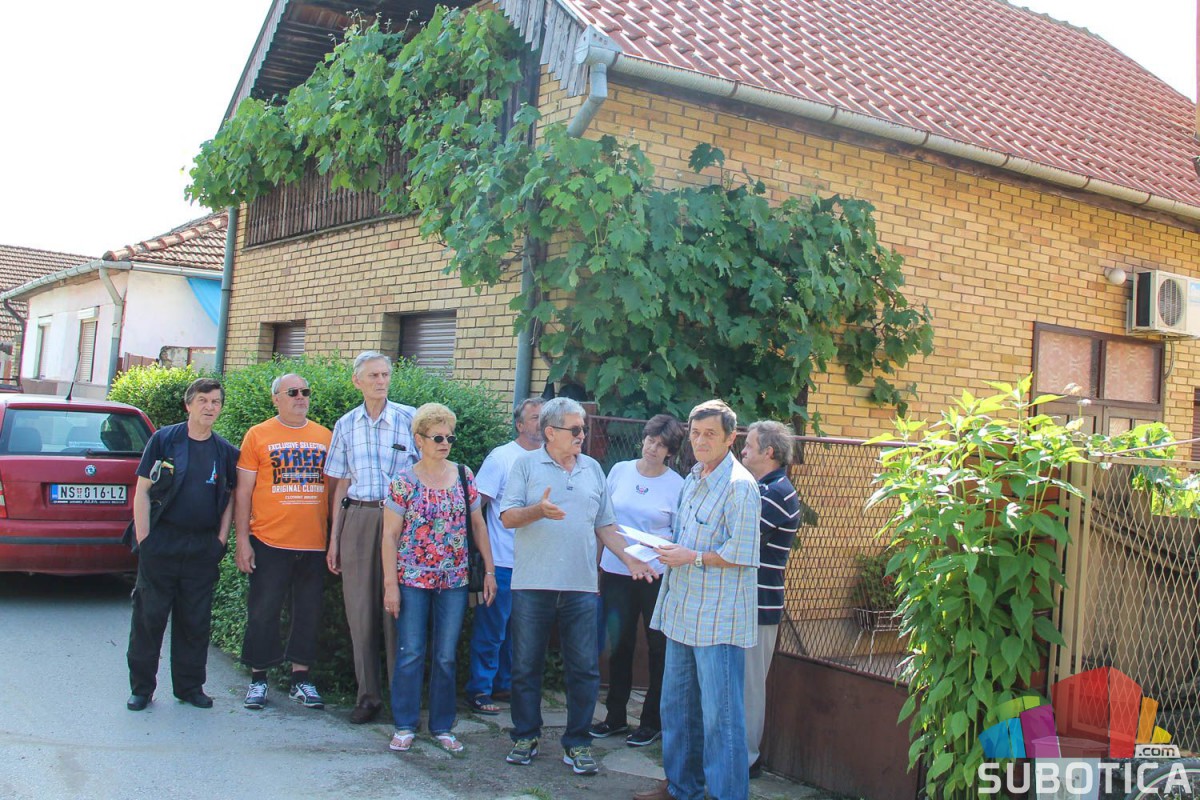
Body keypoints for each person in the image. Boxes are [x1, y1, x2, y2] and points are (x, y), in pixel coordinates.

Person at [500, 397, 655, 776]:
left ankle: (578, 743)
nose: (582, 435)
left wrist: (630, 559)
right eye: (575, 429)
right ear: (550, 432)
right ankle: (525, 736)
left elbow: (605, 524)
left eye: (583, 428)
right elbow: (507, 517)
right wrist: (538, 510)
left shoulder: (593, 469)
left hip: (581, 587)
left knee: (584, 668)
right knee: (525, 666)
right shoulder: (525, 465)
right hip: (532, 584)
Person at [636, 399, 761, 800]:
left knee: (721, 720)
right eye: (695, 433)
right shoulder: (691, 478)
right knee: (677, 709)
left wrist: (691, 557)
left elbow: (742, 553)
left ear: (730, 437)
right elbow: (686, 539)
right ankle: (681, 788)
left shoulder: (740, 486)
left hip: (718, 621)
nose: (701, 441)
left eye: (710, 434)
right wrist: (663, 549)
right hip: (682, 612)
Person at [382, 403, 497, 754]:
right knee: (411, 652)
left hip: (455, 580)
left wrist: (489, 570)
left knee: (446, 656)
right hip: (412, 579)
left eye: (449, 437)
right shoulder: (403, 482)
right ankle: (405, 724)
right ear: (419, 439)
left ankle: (443, 726)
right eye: (438, 437)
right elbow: (389, 535)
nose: (445, 443)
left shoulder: (464, 475)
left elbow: (478, 525)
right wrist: (390, 585)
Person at [125, 378, 239, 711]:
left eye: (215, 402)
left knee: (195, 621)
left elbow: (230, 498)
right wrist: (145, 539)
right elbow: (142, 491)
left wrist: (220, 540)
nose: (209, 407)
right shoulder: (164, 440)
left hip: (202, 546)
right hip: (161, 541)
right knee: (149, 619)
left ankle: (190, 688)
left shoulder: (225, 451)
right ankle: (142, 689)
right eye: (203, 400)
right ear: (188, 405)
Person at [324, 351, 416, 724]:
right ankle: (368, 697)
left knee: (398, 609)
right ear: (357, 381)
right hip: (359, 518)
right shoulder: (345, 424)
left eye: (385, 374)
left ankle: (402, 700)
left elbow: (427, 472)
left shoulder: (410, 419)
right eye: (373, 375)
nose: (381, 381)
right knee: (360, 610)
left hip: (400, 521)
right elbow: (341, 483)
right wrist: (334, 538)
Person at [235, 373, 333, 711]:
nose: (301, 397)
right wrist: (243, 540)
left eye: (305, 391)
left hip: (313, 543)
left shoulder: (325, 436)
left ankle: (300, 680)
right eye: (293, 392)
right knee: (263, 612)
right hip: (269, 540)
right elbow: (243, 492)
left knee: (308, 613)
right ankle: (258, 679)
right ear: (276, 398)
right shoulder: (258, 435)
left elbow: (336, 491)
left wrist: (334, 540)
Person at [590, 414, 685, 747]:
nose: (652, 448)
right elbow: (603, 521)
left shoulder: (677, 485)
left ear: (670, 451)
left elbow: (679, 534)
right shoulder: (619, 471)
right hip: (616, 571)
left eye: (661, 445)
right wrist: (596, 566)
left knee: (658, 646)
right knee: (619, 644)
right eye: (650, 440)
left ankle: (651, 722)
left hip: (654, 574)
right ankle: (614, 716)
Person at [464, 396, 544, 716]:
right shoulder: (501, 458)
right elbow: (476, 506)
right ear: (520, 425)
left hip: (536, 564)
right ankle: (479, 689)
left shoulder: (551, 459)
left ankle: (505, 684)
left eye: (545, 417)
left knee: (519, 632)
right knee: (492, 629)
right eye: (535, 417)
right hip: (502, 561)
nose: (541, 423)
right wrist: (480, 557)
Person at [739, 420, 801, 778]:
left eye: (749, 445)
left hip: (760, 605)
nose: (743, 450)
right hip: (748, 603)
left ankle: (747, 759)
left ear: (769, 452)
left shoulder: (776, 492)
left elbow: (737, 534)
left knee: (749, 686)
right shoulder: (763, 488)